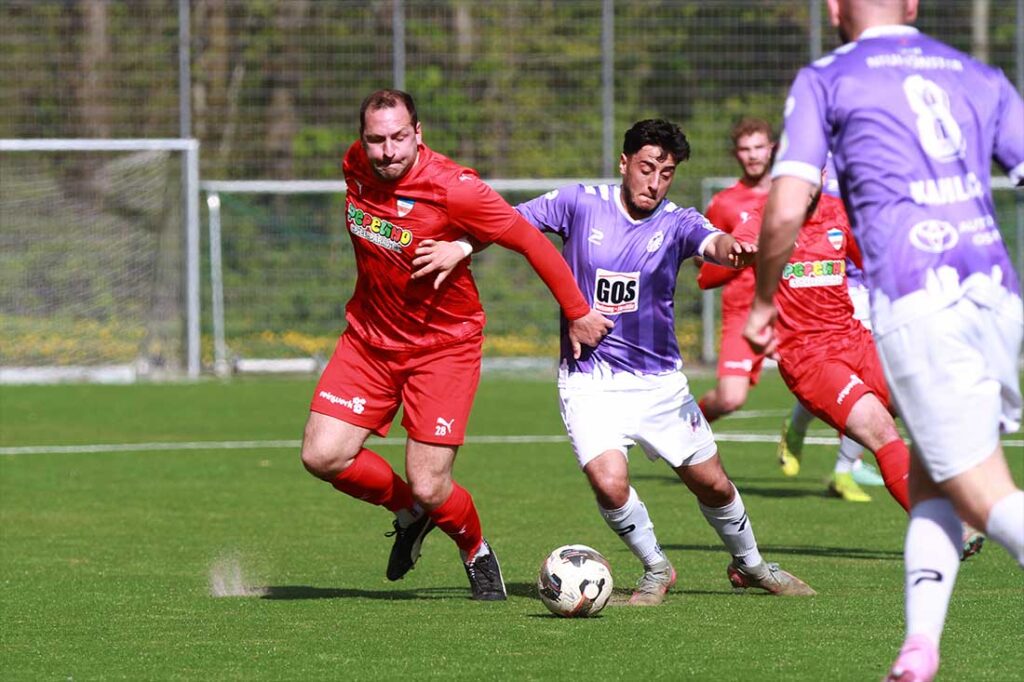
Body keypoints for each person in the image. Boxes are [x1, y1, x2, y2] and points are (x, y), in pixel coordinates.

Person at [417, 119, 815, 604]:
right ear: (624, 163)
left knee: (711, 484)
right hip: (589, 380)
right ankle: (656, 567)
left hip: (660, 383)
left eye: (666, 173)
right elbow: (505, 221)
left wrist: (743, 253)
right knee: (609, 482)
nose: (654, 181)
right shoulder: (579, 202)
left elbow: (718, 246)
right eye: (647, 168)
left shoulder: (678, 222)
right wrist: (459, 247)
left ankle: (751, 565)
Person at [745, 2, 1024, 680]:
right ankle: (918, 648)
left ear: (837, 9)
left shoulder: (830, 76)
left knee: (985, 494)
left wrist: (760, 301)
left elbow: (784, 207)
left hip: (918, 297)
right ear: (913, 5)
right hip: (996, 290)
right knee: (932, 479)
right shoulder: (978, 73)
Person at [300, 89, 613, 602]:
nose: (387, 151)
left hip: (442, 348)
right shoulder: (356, 165)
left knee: (430, 482)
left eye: (399, 137)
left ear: (418, 134)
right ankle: (410, 514)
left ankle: (474, 548)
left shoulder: (455, 188)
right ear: (362, 141)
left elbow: (527, 238)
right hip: (368, 341)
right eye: (376, 139)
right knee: (322, 455)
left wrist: (577, 312)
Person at [705, 171, 912, 513]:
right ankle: (946, 528)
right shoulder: (766, 218)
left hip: (856, 340)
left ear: (823, 173)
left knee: (935, 414)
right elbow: (734, 249)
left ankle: (972, 509)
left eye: (809, 171)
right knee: (881, 429)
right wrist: (737, 250)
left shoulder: (839, 213)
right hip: (810, 359)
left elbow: (876, 267)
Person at [696, 118, 774, 423]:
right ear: (736, 154)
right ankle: (684, 432)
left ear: (772, 149)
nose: (753, 155)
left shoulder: (795, 194)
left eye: (758, 147)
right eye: (745, 149)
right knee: (730, 397)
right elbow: (702, 258)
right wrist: (737, 256)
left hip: (793, 307)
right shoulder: (724, 203)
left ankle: (849, 465)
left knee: (832, 385)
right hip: (743, 308)